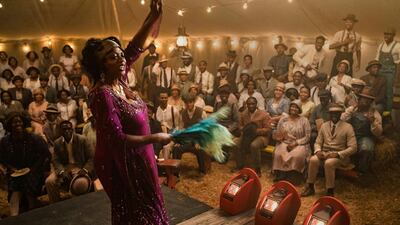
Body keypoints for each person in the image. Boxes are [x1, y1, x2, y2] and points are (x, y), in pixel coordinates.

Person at [84, 1, 170, 223]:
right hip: (122, 160)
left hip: (141, 153)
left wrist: (152, 17)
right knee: (137, 211)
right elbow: (116, 139)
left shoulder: (119, 81)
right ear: (101, 65)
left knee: (149, 205)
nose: (122, 58)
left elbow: (134, 47)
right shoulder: (102, 94)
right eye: (113, 57)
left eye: (120, 54)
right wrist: (155, 137)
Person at [0, 112, 51, 216]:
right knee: (15, 183)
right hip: (15, 171)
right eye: (14, 122)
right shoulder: (5, 141)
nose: (17, 124)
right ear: (10, 125)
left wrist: (34, 169)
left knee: (28, 180)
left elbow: (45, 154)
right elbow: (2, 158)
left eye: (19, 121)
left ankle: (32, 209)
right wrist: (11, 168)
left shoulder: (33, 138)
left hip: (35, 169)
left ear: (23, 123)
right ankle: (14, 214)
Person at [301, 104, 357, 197]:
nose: (334, 115)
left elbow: (353, 147)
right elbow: (318, 142)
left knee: (329, 163)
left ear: (340, 114)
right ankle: (310, 187)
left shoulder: (348, 127)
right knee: (313, 160)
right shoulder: (324, 126)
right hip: (325, 153)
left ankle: (330, 191)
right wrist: (318, 151)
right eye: (332, 113)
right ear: (328, 115)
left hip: (340, 157)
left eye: (336, 113)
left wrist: (338, 154)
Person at [45, 120, 94, 203]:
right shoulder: (57, 143)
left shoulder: (82, 140)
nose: (67, 131)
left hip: (79, 167)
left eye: (69, 129)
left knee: (79, 184)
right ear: (60, 131)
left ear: (72, 129)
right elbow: (55, 160)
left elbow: (91, 158)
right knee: (49, 181)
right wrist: (61, 171)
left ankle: (77, 204)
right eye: (64, 129)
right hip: (65, 167)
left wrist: (84, 170)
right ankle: (55, 205)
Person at [341, 88, 383, 175]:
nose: (365, 101)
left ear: (371, 102)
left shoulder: (374, 113)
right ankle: (343, 168)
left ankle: (362, 171)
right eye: (363, 98)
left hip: (365, 137)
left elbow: (379, 133)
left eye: (368, 99)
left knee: (366, 149)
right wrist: (350, 113)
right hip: (351, 136)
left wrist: (372, 122)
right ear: (359, 99)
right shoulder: (352, 109)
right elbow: (341, 120)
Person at [273, 100, 311, 181]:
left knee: (296, 155)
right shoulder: (283, 119)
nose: (293, 109)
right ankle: (281, 174)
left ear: (299, 109)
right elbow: (278, 132)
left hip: (300, 143)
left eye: (296, 107)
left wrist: (296, 143)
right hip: (285, 142)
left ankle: (294, 175)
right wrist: (279, 137)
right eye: (292, 106)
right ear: (289, 108)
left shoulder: (304, 120)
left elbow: (307, 137)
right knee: (278, 153)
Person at [233, 97, 271, 176]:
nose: (251, 106)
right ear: (246, 105)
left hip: (261, 136)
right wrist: (245, 129)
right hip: (247, 136)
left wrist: (256, 131)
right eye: (249, 104)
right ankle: (239, 166)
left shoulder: (263, 114)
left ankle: (257, 169)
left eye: (253, 104)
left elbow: (268, 129)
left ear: (256, 104)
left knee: (254, 145)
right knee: (235, 143)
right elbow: (240, 126)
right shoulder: (244, 113)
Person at [173, 95, 209, 173]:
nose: (188, 104)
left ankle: (202, 170)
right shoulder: (182, 113)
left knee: (200, 149)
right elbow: (181, 128)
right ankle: (175, 172)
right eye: (186, 103)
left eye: (190, 102)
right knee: (176, 148)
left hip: (198, 139)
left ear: (194, 102)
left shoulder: (201, 112)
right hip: (187, 140)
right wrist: (178, 141)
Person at [375, 28, 400, 111]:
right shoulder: (381, 45)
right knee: (379, 91)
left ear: (393, 35)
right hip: (380, 72)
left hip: (390, 73)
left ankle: (387, 113)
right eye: (385, 34)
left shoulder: (397, 46)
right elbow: (376, 60)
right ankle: (378, 111)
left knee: (389, 94)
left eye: (389, 34)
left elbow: (398, 64)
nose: (386, 36)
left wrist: (396, 78)